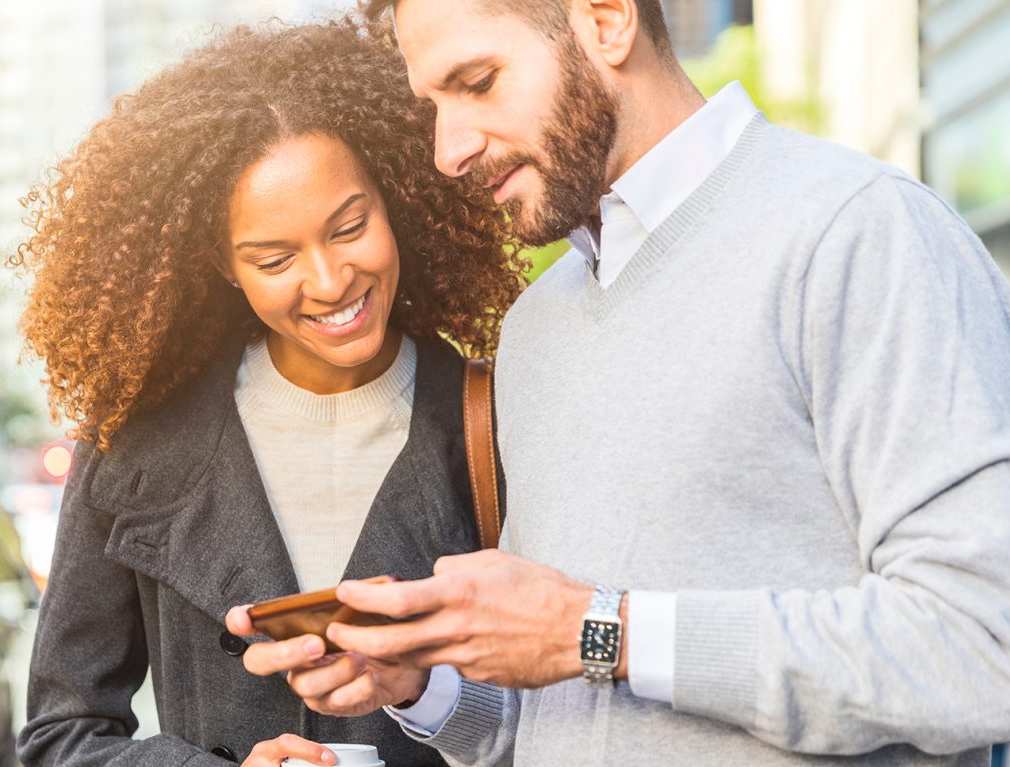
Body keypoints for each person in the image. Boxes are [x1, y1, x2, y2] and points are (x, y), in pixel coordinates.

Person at [228, 1, 1010, 765]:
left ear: (606, 19)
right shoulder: (537, 330)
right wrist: (422, 686)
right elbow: (557, 711)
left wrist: (596, 630)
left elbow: (984, 645)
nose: (448, 150)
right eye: (432, 105)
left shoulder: (859, 232)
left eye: (476, 82)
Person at [11, 19, 525, 767]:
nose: (329, 281)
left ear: (397, 199)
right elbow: (61, 735)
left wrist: (427, 689)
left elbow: (569, 719)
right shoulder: (136, 443)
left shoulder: (496, 422)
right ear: (224, 263)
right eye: (275, 257)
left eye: (349, 227)